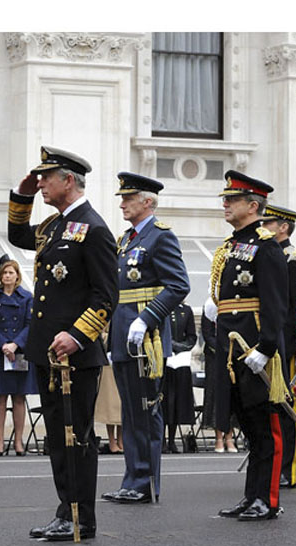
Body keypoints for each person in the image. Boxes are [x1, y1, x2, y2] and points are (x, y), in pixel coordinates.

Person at [8, 146, 117, 542]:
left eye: (46, 178)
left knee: (77, 437)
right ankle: (64, 510)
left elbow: (106, 296)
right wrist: (20, 197)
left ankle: (80, 517)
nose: (41, 185)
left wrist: (78, 334)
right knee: (58, 437)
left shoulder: (95, 228)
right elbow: (19, 235)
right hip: (48, 353)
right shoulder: (55, 226)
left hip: (75, 356)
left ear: (68, 180)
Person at [204, 170, 289, 521]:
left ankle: (267, 499)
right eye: (225, 199)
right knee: (247, 426)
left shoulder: (266, 246)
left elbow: (276, 302)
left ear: (252, 205)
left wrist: (266, 348)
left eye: (232, 199)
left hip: (254, 347)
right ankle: (251, 494)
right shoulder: (231, 246)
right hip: (231, 349)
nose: (225, 204)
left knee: (265, 426)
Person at [103, 171, 190, 504]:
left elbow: (179, 285)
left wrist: (147, 318)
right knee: (130, 412)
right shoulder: (125, 239)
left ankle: (144, 481)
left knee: (145, 409)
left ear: (147, 201)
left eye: (128, 198)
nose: (122, 203)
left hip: (146, 339)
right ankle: (132, 478)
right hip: (124, 336)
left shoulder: (160, 237)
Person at [260, 203, 296, 488]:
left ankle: (291, 471)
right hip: (270, 342)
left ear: (283, 227)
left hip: (290, 345)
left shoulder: (294, 259)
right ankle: (274, 464)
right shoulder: (269, 255)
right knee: (272, 408)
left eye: (268, 223)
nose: (263, 227)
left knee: (291, 409)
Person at [0, 255, 38, 456]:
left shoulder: (27, 297)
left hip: (18, 352)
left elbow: (30, 324)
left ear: (17, 276)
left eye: (11, 272)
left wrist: (15, 344)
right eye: (5, 272)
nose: (7, 276)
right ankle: (0, 442)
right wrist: (3, 344)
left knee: (19, 397)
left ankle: (19, 442)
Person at [163, 301, 197, 454]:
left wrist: (180, 347)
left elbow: (192, 337)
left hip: (180, 360)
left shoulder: (187, 310)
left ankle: (172, 440)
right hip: (165, 359)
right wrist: (170, 346)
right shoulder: (162, 308)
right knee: (165, 401)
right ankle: (162, 440)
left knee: (177, 401)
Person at [201, 311, 236, 453]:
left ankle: (230, 437)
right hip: (215, 358)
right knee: (216, 397)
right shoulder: (210, 307)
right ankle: (219, 438)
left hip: (232, 354)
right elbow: (208, 335)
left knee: (231, 397)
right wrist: (222, 349)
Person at [95, 329, 123, 455]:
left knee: (122, 405)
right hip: (108, 363)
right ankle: (112, 440)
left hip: (122, 360)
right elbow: (100, 335)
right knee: (110, 405)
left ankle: (121, 440)